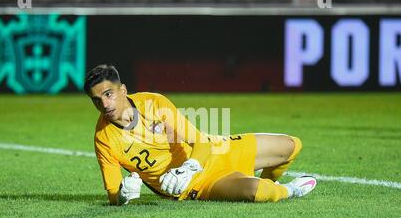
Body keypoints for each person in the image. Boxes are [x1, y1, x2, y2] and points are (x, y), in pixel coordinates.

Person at [85, 64, 317, 206]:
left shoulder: (153, 102)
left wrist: (189, 167)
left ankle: (266, 182)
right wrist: (123, 196)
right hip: (198, 184)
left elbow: (200, 142)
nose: (105, 104)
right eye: (97, 99)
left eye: (109, 94)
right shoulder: (104, 139)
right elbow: (113, 192)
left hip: (215, 150)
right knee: (256, 192)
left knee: (291, 146)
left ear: (122, 90)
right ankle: (291, 190)